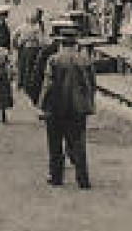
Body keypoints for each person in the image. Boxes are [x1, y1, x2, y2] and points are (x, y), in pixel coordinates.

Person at [37, 21, 96, 189]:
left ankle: (56, 177)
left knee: (55, 144)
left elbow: (48, 85)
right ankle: (83, 179)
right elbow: (92, 84)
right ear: (75, 42)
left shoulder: (54, 60)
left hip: (56, 108)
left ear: (61, 42)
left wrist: (42, 106)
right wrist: (88, 102)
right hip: (78, 109)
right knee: (78, 143)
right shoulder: (85, 60)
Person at [13, 8, 45, 99]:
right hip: (33, 49)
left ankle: (20, 84)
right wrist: (41, 48)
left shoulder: (22, 26)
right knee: (30, 67)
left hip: (22, 48)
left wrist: (16, 46)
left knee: (21, 66)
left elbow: (14, 36)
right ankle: (27, 85)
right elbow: (41, 40)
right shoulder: (36, 28)